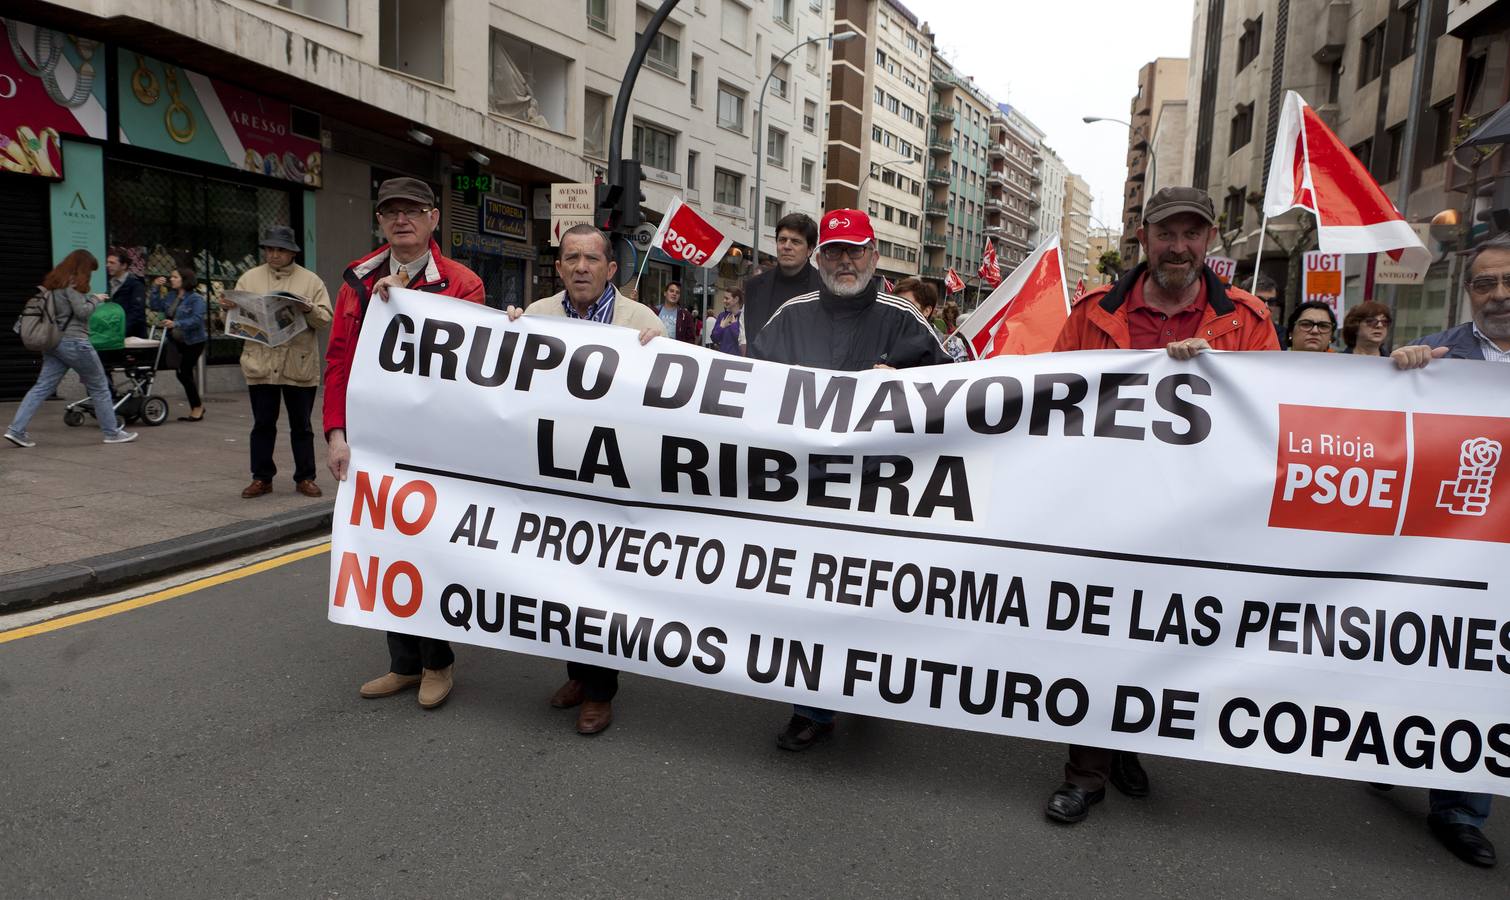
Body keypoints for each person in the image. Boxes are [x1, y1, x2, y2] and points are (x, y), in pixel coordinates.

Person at [1046, 186, 1280, 824]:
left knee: (1158, 637)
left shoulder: (1249, 324)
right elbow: (1048, 397)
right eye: (1167, 233)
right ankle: (1086, 772)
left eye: (1192, 234)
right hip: (1106, 510)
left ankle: (1127, 745)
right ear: (1143, 238)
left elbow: (1277, 414)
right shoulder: (1093, 313)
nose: (1179, 247)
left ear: (1209, 241)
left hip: (1196, 519)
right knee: (1098, 634)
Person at [753, 209, 950, 750]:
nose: (845, 260)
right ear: (819, 259)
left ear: (875, 255)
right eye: (835, 251)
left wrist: (909, 383)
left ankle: (866, 687)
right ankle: (810, 708)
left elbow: (963, 385)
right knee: (808, 599)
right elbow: (745, 385)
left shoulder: (904, 317)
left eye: (855, 250)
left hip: (880, 494)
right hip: (807, 489)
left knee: (869, 598)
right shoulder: (790, 316)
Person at [324, 176, 485, 711]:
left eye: (413, 211)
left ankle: (438, 661)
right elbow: (339, 364)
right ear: (380, 221)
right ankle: (404, 663)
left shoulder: (463, 283)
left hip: (434, 447)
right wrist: (337, 435)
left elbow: (466, 371)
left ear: (435, 218)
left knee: (425, 551)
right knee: (380, 549)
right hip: (372, 444)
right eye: (391, 211)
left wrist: (405, 303)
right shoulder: (357, 281)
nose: (402, 221)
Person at [507, 224, 665, 735]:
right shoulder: (536, 317)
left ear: (610, 268)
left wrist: (667, 350)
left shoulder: (642, 322)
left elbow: (675, 398)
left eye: (591, 259)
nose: (580, 267)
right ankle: (577, 673)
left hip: (614, 478)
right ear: (558, 267)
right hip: (553, 475)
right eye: (570, 257)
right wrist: (504, 333)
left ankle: (600, 691)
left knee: (602, 586)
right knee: (561, 584)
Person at [1389, 233, 1510, 868]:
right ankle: (1380, 747)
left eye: (1508, 281)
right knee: (1440, 660)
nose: (1499, 295)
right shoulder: (1438, 356)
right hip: (1450, 545)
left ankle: (1461, 808)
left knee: (1490, 678)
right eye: (1484, 284)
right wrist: (1401, 377)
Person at [226, 225, 334, 499]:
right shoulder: (249, 278)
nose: (274, 255)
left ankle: (305, 477)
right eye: (269, 249)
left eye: (280, 250)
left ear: (292, 252)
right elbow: (230, 322)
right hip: (261, 362)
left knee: (302, 425)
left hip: (298, 362)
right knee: (262, 423)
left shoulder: (311, 281)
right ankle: (261, 478)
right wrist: (227, 310)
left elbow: (325, 319)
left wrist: (307, 308)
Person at [4, 250, 138, 447]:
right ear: (83, 268)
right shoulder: (73, 285)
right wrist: (95, 299)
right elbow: (82, 313)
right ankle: (112, 433)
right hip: (75, 342)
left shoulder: (54, 285)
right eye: (90, 270)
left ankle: (16, 430)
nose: (91, 275)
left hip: (54, 343)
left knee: (41, 387)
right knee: (99, 386)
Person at [741, 212, 822, 352]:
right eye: (782, 240)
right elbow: (751, 340)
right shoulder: (754, 286)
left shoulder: (824, 289)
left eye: (795, 242)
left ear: (810, 250)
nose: (787, 246)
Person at [149, 266, 209, 421]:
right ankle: (197, 406)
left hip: (194, 341)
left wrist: (176, 323)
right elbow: (155, 306)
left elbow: (197, 320)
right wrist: (155, 287)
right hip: (176, 341)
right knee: (182, 373)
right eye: (171, 277)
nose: (171, 279)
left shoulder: (196, 299)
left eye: (175, 277)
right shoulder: (171, 296)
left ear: (185, 280)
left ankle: (197, 407)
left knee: (183, 371)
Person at [895, 276, 968, 362]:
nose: (899, 309)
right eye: (896, 303)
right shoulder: (886, 340)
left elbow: (958, 374)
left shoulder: (952, 345)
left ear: (927, 311)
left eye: (907, 305)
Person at [106, 249, 148, 339]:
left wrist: (121, 331)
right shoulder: (109, 284)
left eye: (112, 263)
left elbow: (136, 313)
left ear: (124, 265)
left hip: (131, 337)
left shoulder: (135, 285)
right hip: (112, 335)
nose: (108, 265)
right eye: (108, 262)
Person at [1253, 272, 1286, 348]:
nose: (1266, 306)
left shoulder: (1281, 333)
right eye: (1259, 301)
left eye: (1271, 302)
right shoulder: (1232, 330)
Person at [708, 288, 743, 355]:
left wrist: (734, 326)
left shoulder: (744, 317)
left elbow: (742, 341)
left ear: (736, 299)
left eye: (727, 298)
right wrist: (721, 327)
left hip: (738, 361)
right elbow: (714, 338)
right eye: (724, 298)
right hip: (723, 359)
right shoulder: (722, 316)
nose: (724, 301)